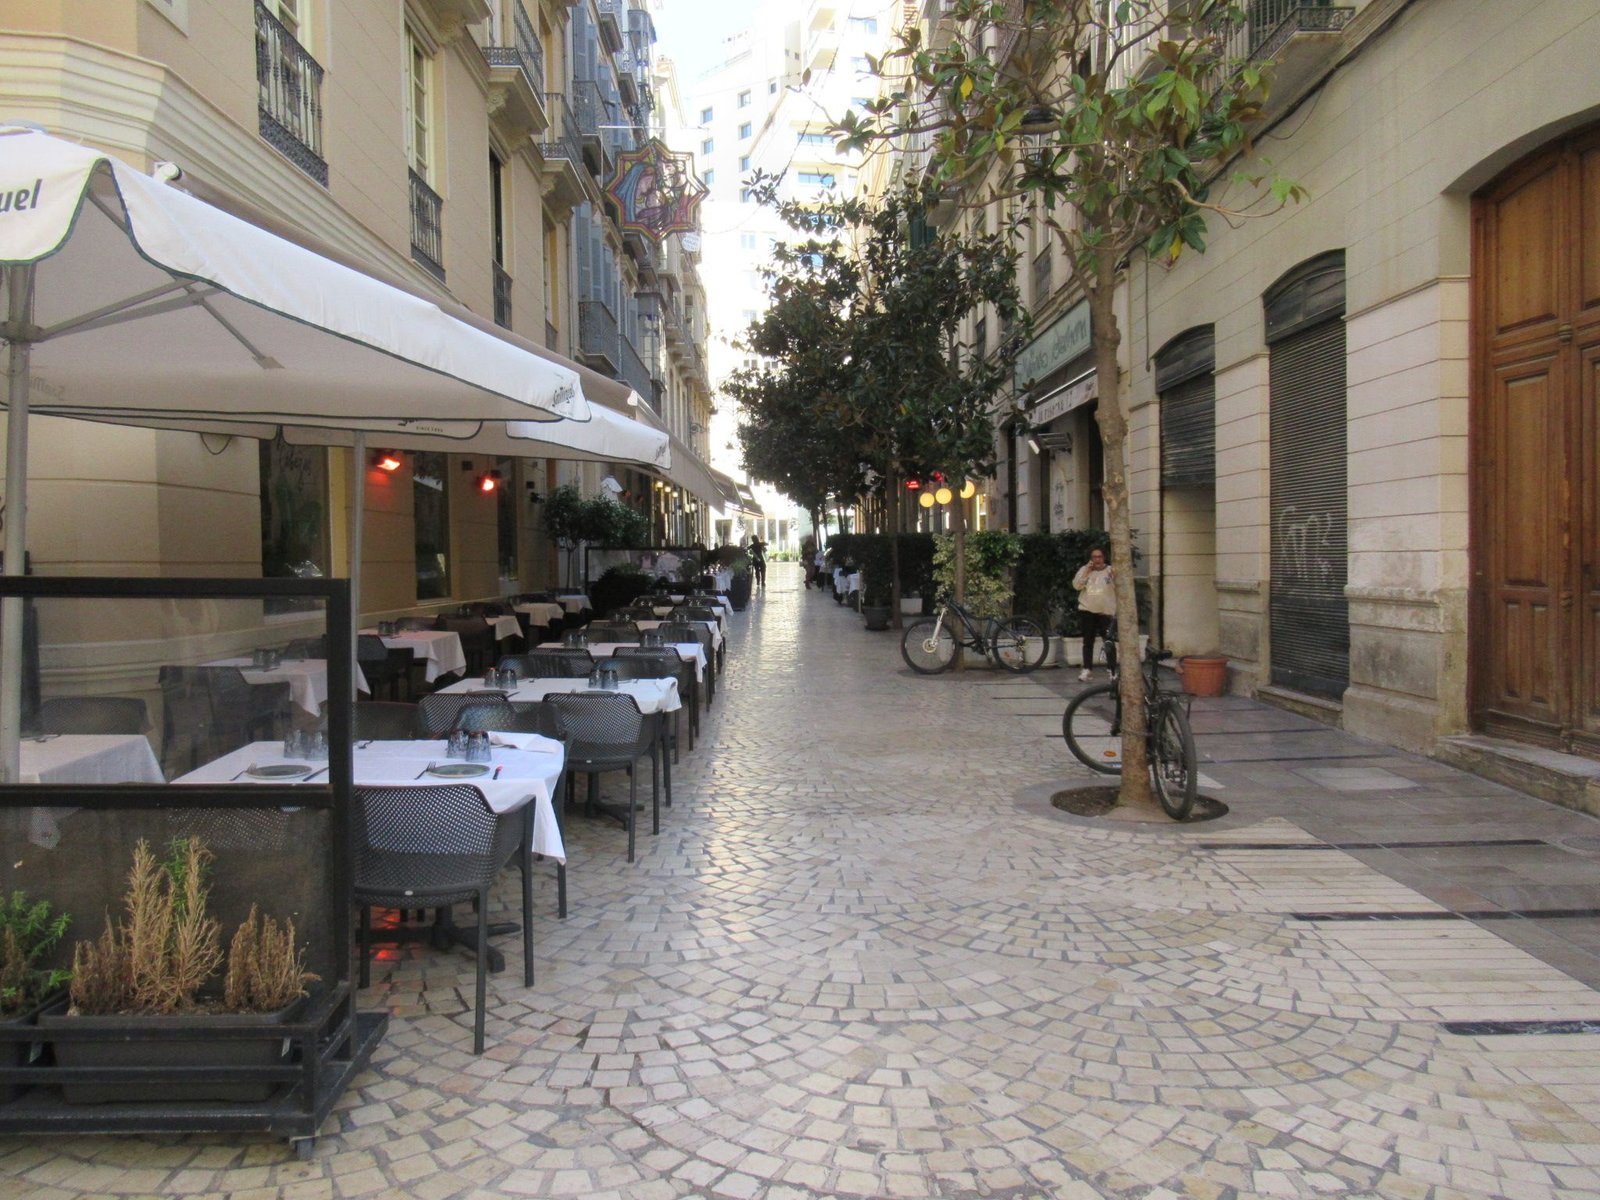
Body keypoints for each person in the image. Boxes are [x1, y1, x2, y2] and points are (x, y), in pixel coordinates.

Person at [1072, 546, 1116, 682]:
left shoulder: (1110, 570)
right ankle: (1087, 669)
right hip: (1088, 610)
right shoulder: (1084, 570)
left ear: (1104, 557)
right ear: (1090, 559)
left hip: (1105, 611)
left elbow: (1118, 586)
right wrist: (1086, 571)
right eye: (1094, 557)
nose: (1097, 559)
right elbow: (1077, 586)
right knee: (1088, 641)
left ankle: (1112, 669)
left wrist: (1113, 577)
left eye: (1100, 557)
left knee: (1108, 641)